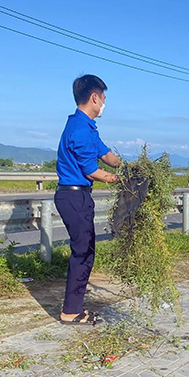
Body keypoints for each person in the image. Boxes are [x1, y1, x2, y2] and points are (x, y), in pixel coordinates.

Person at [55, 74, 121, 325]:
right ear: (95, 97)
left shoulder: (87, 126)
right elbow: (91, 170)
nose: (104, 103)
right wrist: (121, 181)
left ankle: (74, 307)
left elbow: (106, 156)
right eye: (103, 98)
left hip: (79, 196)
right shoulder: (80, 130)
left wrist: (130, 167)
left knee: (86, 251)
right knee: (82, 253)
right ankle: (71, 312)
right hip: (73, 196)